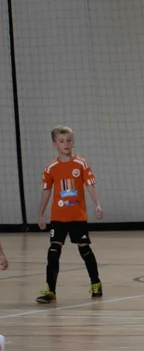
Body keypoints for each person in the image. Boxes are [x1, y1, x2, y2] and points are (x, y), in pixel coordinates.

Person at [36, 126, 103, 304]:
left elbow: (90, 185)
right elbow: (46, 191)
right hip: (58, 217)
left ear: (73, 142)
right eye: (61, 141)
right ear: (55, 144)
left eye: (69, 140)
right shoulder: (51, 167)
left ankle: (96, 283)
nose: (66, 144)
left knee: (84, 249)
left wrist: (97, 204)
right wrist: (41, 214)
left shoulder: (81, 163)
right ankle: (50, 291)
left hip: (78, 217)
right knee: (53, 252)